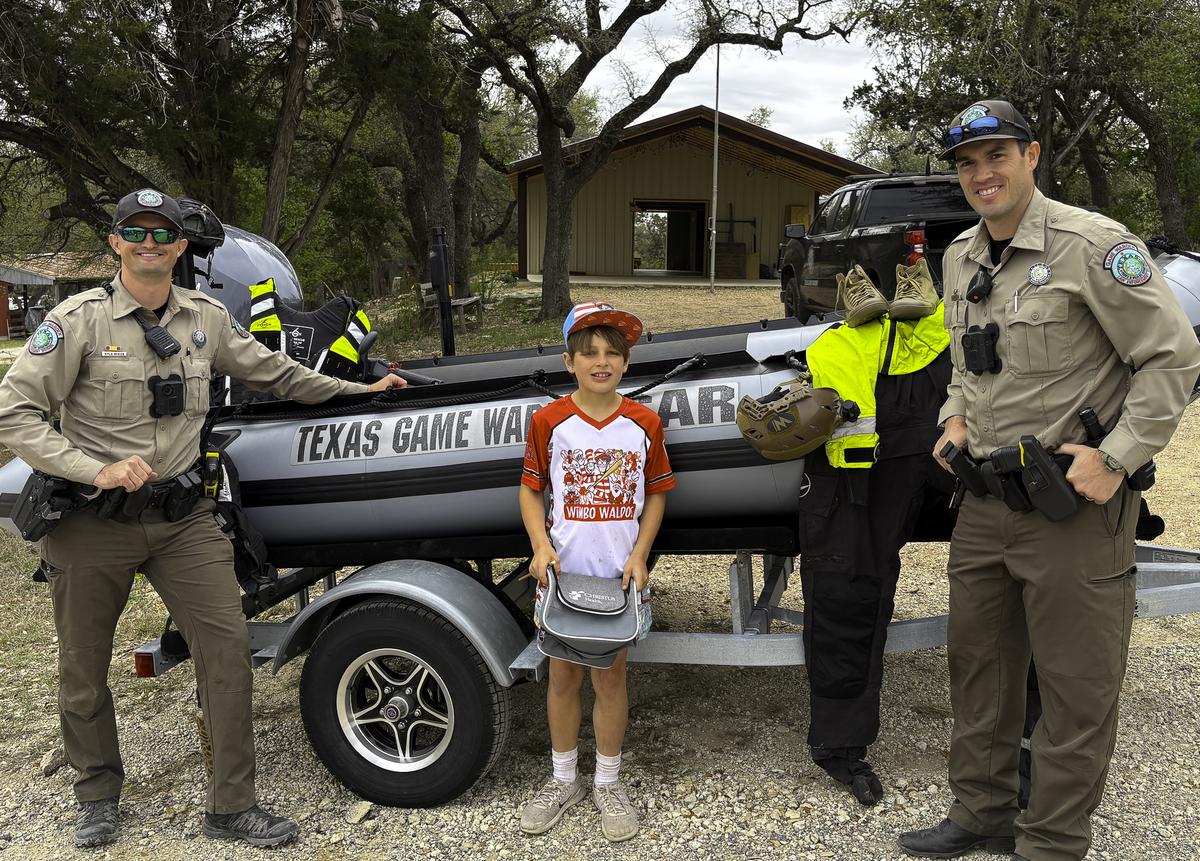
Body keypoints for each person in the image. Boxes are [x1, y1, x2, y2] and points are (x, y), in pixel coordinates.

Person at [0, 189, 405, 849]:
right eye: (136, 231)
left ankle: (231, 804)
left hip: (183, 519)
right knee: (82, 668)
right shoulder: (77, 322)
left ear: (181, 246)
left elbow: (278, 374)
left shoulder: (206, 319)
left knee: (226, 654)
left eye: (163, 234)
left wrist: (362, 390)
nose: (150, 243)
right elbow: (13, 412)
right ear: (116, 243)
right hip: (91, 521)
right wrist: (91, 467)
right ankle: (97, 792)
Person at [899, 101, 1200, 861]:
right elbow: (967, 360)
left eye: (996, 155)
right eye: (967, 163)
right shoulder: (961, 255)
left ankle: (1053, 841)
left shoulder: (1092, 246)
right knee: (980, 672)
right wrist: (956, 416)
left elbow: (1173, 357)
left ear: (1032, 155)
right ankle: (982, 812)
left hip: (1073, 508)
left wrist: (1119, 454)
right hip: (985, 504)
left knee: (1075, 690)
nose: (981, 174)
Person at [797, 258, 955, 805]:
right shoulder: (944, 335)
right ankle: (842, 744)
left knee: (846, 595)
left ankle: (1016, 739)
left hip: (863, 473)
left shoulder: (831, 346)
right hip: (869, 471)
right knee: (845, 596)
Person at [517, 302, 674, 842]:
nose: (601, 362)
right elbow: (530, 490)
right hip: (563, 577)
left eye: (612, 353)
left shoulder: (643, 423)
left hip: (618, 580)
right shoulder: (549, 421)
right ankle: (563, 779)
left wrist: (640, 556)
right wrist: (540, 546)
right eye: (589, 354)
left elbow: (655, 495)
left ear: (626, 364)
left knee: (611, 676)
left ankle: (608, 780)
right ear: (569, 362)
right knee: (562, 675)